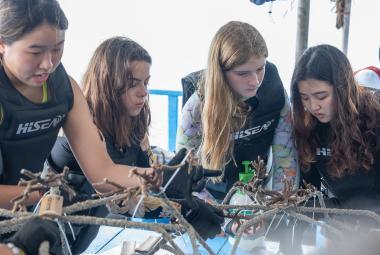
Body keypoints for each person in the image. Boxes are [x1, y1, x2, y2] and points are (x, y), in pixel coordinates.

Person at [0, 0, 222, 246]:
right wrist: (46, 195)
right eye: (35, 51)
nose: (49, 63)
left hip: (30, 228)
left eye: (58, 49)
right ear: (2, 42)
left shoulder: (65, 89)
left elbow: (103, 174)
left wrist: (165, 178)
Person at [176, 21, 299, 201]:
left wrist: (278, 205)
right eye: (243, 73)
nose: (255, 81)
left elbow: (286, 160)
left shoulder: (274, 91)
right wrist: (219, 216)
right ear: (221, 72)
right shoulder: (195, 108)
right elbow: (184, 174)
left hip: (257, 190)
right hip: (211, 194)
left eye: (260, 68)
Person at [291, 44, 380, 213]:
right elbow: (308, 192)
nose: (313, 106)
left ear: (342, 89)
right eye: (305, 98)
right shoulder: (310, 129)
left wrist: (335, 209)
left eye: (321, 96)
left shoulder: (374, 123)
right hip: (338, 225)